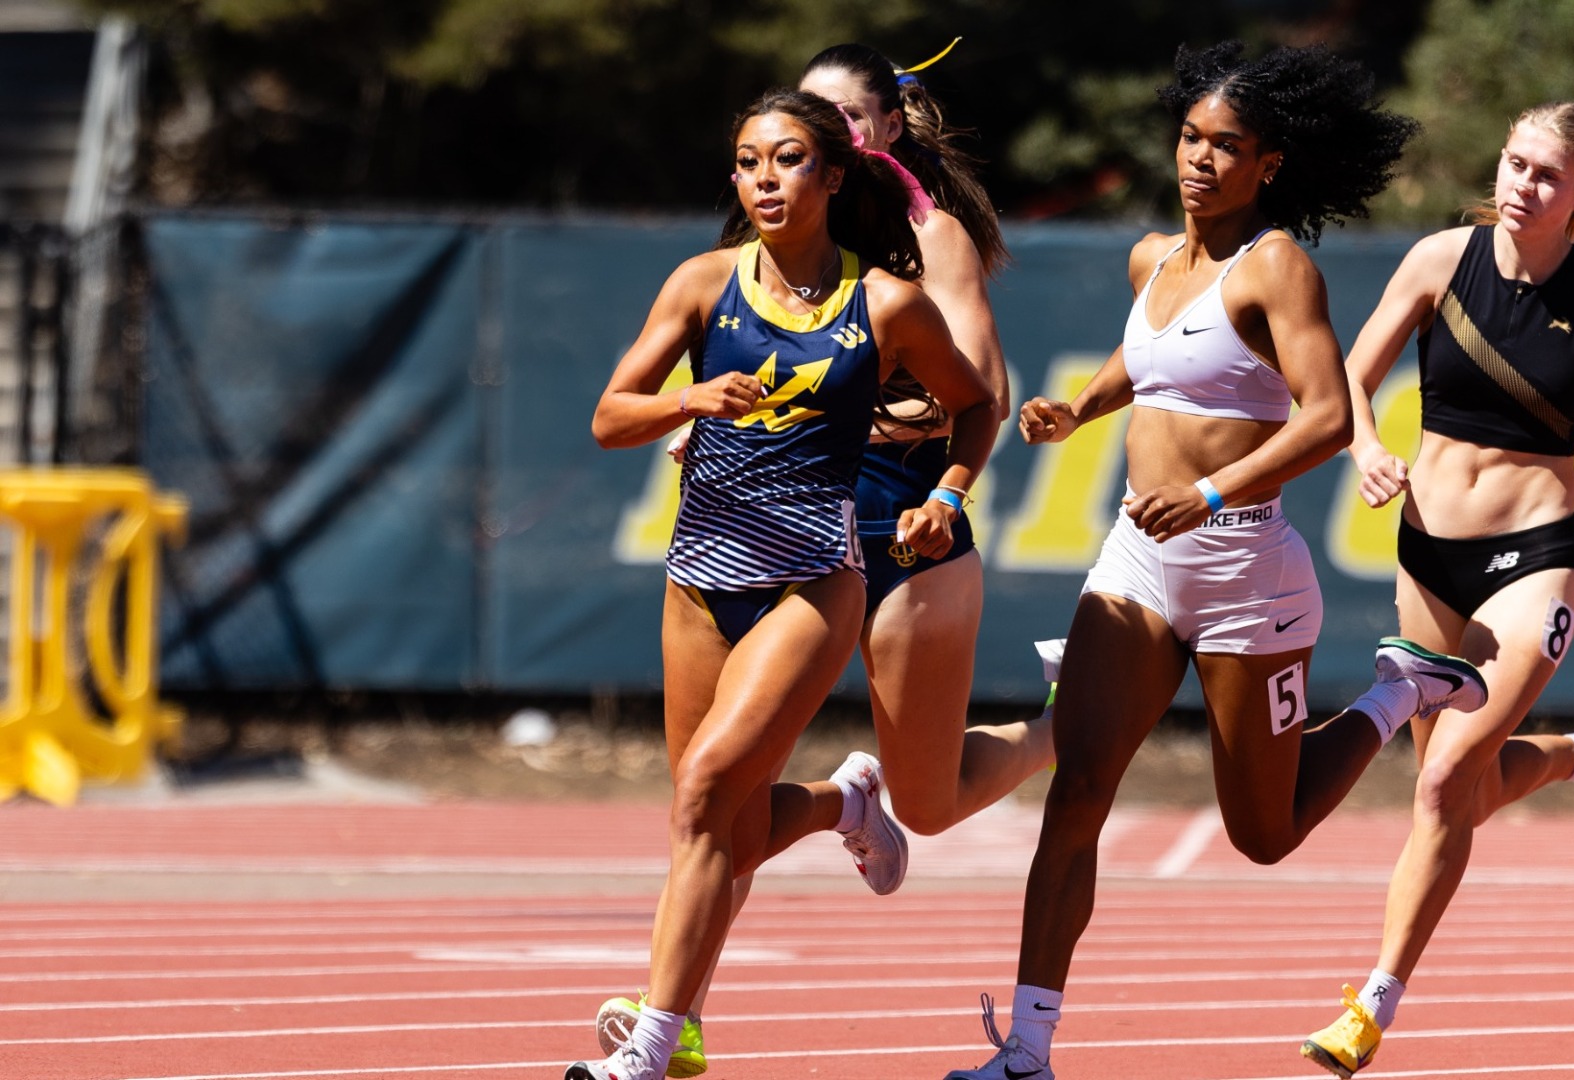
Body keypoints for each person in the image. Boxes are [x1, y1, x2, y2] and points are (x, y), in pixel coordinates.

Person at [942, 42, 1489, 1080]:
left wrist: (1204, 495)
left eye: (1224, 146)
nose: (1199, 160)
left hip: (1245, 570)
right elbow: (1152, 360)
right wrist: (1081, 408)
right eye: (1190, 138)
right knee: (1079, 787)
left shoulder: (1278, 267)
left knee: (1264, 834)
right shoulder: (1154, 258)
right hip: (1139, 564)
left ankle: (1392, 695)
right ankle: (1028, 1048)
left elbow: (1327, 419)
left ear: (1267, 164)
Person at [590, 42, 1057, 1078]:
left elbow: (972, 388)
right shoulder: (731, 264)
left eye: (832, 127)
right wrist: (701, 414)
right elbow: (640, 394)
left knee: (921, 799)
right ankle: (688, 1012)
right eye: (764, 147)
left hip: (887, 535)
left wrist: (898, 449)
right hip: (721, 556)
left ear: (877, 140)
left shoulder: (921, 260)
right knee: (710, 806)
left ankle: (1062, 728)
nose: (782, 162)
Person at [1299, 101, 1574, 1078]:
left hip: (1538, 554)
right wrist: (1366, 447)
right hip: (1428, 555)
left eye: (1547, 175)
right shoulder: (1441, 261)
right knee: (1457, 793)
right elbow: (1351, 374)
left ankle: (1373, 1004)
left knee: (1440, 784)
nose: (1523, 185)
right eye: (1514, 165)